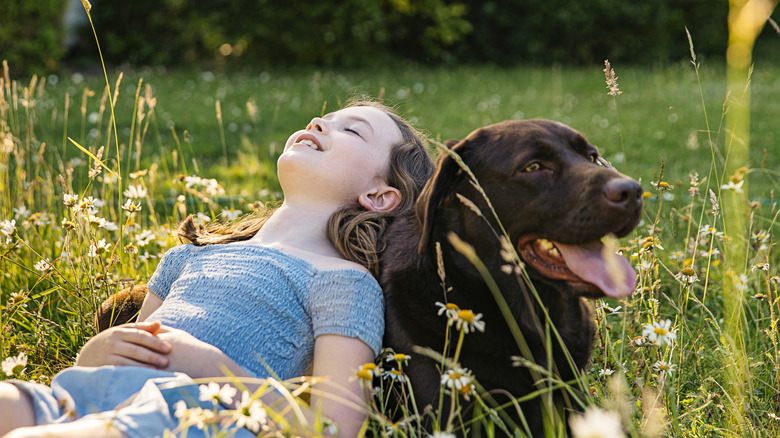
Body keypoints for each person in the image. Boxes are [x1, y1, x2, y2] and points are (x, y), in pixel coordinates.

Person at [0, 99, 435, 438]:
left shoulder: (342, 282)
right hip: (84, 396)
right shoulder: (187, 257)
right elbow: (132, 349)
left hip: (190, 416)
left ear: (380, 196)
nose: (321, 123)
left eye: (351, 131)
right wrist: (91, 354)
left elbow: (333, 428)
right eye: (325, 118)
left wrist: (210, 367)